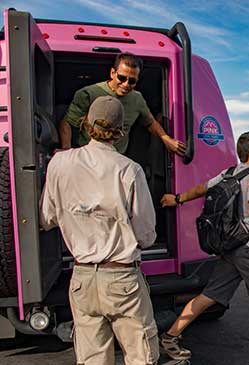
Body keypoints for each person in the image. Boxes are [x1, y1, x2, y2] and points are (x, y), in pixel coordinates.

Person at [159, 131, 249, 365]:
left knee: (209, 296)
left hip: (230, 248)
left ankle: (170, 336)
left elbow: (201, 189)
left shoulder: (229, 173)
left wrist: (176, 199)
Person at [40, 96, 159, 364]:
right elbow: (146, 234)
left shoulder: (59, 164)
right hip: (121, 279)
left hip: (82, 277)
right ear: (120, 131)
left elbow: (47, 217)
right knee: (141, 354)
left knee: (92, 357)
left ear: (85, 125)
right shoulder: (129, 170)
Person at [58, 52, 186, 156]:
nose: (126, 84)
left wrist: (166, 139)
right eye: (122, 78)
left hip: (117, 159)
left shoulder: (137, 99)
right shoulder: (88, 94)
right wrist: (66, 151)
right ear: (112, 73)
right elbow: (68, 122)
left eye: (132, 81)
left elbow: (150, 121)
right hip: (88, 157)